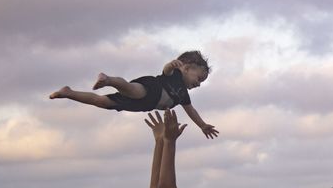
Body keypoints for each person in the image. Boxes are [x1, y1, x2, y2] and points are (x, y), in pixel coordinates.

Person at [49, 51, 220, 139]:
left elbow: (191, 111)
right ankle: (108, 80)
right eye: (199, 78)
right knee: (131, 89)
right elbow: (166, 70)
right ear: (186, 68)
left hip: (143, 105)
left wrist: (202, 125)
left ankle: (68, 93)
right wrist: (170, 64)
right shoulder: (175, 75)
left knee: (102, 102)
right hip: (151, 88)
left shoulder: (183, 95)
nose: (198, 84)